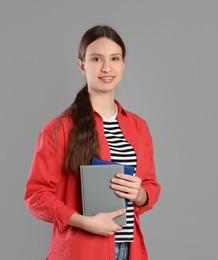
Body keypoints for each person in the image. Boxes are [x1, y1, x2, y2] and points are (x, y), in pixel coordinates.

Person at [24, 25, 161, 260]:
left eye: (114, 58)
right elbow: (36, 195)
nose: (107, 68)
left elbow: (150, 185)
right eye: (96, 59)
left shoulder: (138, 127)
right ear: (81, 65)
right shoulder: (59, 129)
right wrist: (84, 222)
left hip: (129, 250)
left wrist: (140, 195)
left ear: (123, 64)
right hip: (81, 251)